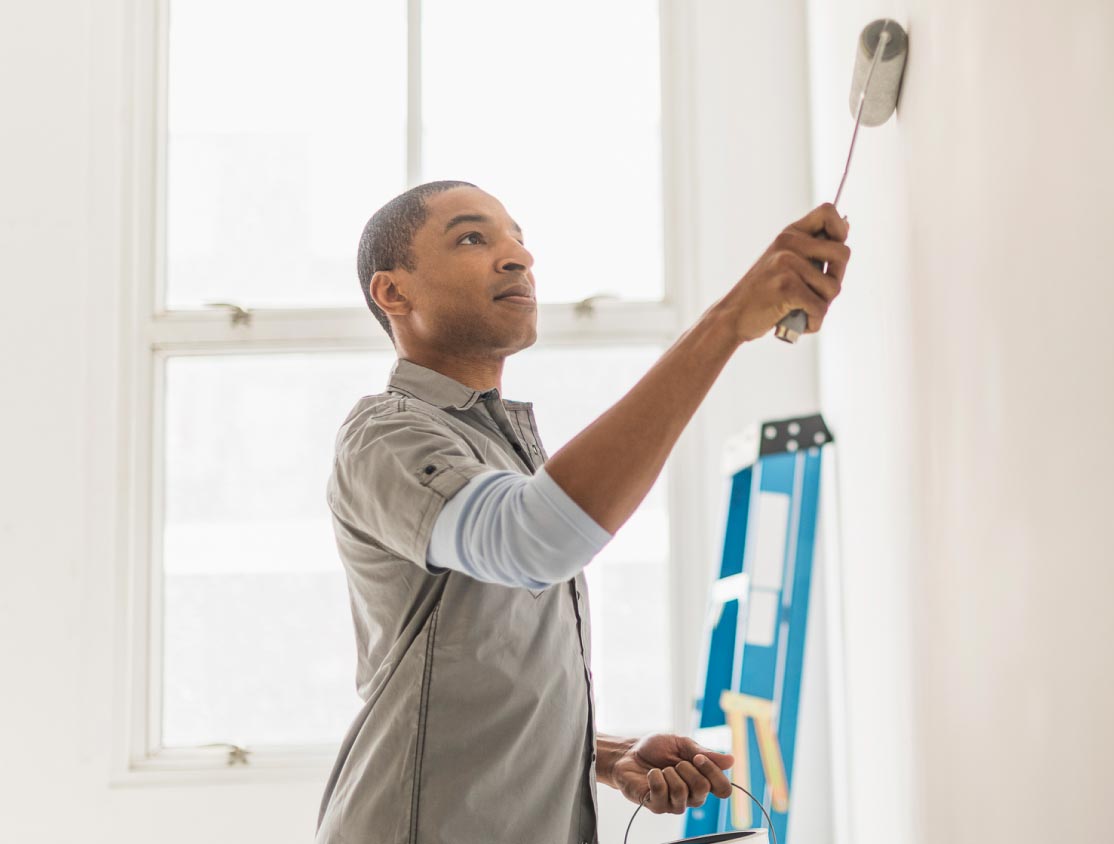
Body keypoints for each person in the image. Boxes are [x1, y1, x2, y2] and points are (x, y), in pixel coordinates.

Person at [315, 180, 851, 843]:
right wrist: (726, 323)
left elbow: (479, 672)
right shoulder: (386, 436)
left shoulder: (495, 449)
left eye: (519, 237)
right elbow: (534, 539)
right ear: (394, 292)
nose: (518, 257)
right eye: (474, 238)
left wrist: (604, 754)